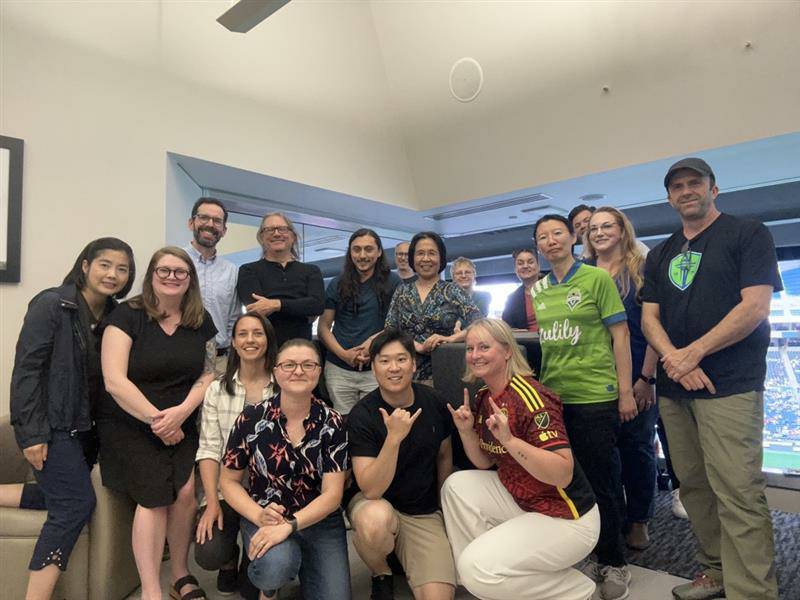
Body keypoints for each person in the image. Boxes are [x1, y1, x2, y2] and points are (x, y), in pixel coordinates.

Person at [641, 157, 781, 600]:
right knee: (695, 487)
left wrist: (693, 353)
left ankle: (753, 591)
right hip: (675, 391)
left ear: (713, 189)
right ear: (669, 197)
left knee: (738, 492)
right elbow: (649, 319)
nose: (686, 191)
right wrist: (676, 361)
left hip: (731, 385)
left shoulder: (748, 234)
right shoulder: (661, 253)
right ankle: (715, 570)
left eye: (694, 183)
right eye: (677, 186)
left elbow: (755, 307)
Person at [9, 238, 134, 600]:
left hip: (87, 432)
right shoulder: (52, 304)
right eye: (105, 264)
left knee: (61, 494)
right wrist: (32, 434)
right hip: (52, 426)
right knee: (76, 503)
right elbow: (26, 372)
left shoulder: (115, 317)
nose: (113, 274)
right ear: (85, 265)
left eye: (122, 269)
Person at [441, 318, 600, 600]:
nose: (475, 355)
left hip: (566, 517)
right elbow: (484, 463)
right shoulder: (483, 397)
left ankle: (575, 590)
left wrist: (510, 441)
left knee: (475, 567)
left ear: (507, 351)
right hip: (524, 500)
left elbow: (563, 472)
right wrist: (466, 432)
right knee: (457, 485)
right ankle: (487, 583)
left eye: (484, 347)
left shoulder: (532, 397)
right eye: (470, 348)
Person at [99, 246, 218, 600]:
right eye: (163, 270)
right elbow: (114, 381)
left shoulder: (200, 319)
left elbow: (210, 373)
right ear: (151, 275)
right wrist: (159, 420)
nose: (171, 277)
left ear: (190, 280)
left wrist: (181, 413)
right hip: (130, 422)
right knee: (154, 496)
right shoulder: (127, 315)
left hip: (182, 419)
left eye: (180, 272)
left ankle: (180, 574)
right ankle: (151, 589)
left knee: (184, 492)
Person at [532, 214, 636, 600]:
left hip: (595, 396)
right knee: (570, 483)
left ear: (573, 237)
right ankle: (588, 551)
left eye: (557, 233)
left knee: (603, 483)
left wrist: (625, 392)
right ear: (538, 246)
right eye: (543, 237)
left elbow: (620, 336)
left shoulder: (597, 279)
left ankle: (615, 561)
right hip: (556, 399)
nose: (551, 241)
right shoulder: (539, 289)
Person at [219, 339, 351, 600]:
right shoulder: (250, 419)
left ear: (319, 371)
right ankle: (269, 587)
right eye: (289, 364)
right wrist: (258, 516)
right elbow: (229, 481)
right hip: (265, 514)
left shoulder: (333, 422)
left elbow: (332, 495)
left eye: (308, 365)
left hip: (319, 519)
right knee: (276, 566)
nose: (298, 371)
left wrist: (290, 526)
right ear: (276, 371)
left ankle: (304, 566)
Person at [346, 329, 456, 600]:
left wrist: (444, 509)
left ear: (414, 364)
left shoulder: (434, 401)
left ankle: (405, 557)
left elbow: (444, 456)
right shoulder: (362, 415)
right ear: (373, 367)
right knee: (375, 522)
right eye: (384, 361)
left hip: (422, 511)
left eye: (401, 359)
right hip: (377, 504)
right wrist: (393, 439)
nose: (393, 368)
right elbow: (370, 489)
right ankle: (380, 571)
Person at [585, 207, 660, 550]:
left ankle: (639, 519)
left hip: (638, 373)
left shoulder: (643, 269)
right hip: (594, 378)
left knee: (637, 450)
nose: (599, 232)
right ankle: (611, 518)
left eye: (607, 226)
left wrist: (646, 378)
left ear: (622, 230)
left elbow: (654, 327)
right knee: (603, 455)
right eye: (593, 228)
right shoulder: (582, 272)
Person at [194, 313, 278, 598]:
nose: (250, 340)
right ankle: (228, 559)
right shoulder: (218, 390)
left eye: (258, 333)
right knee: (209, 551)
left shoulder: (283, 387)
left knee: (256, 584)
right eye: (243, 334)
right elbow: (208, 449)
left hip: (270, 493)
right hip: (227, 490)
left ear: (268, 340)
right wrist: (210, 503)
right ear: (233, 342)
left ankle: (248, 560)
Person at [318, 229, 401, 415]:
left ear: (379, 252)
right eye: (356, 250)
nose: (362, 255)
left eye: (369, 249)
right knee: (343, 423)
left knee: (375, 423)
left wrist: (371, 345)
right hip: (339, 369)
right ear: (350, 253)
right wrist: (344, 355)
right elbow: (323, 327)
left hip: (377, 366)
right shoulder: (336, 283)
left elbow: (395, 325)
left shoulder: (394, 282)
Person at [384, 231, 482, 382]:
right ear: (412, 258)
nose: (426, 259)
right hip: (406, 373)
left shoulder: (453, 290)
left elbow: (479, 323)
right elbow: (390, 329)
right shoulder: (402, 291)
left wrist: (450, 339)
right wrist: (415, 345)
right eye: (420, 253)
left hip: (445, 370)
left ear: (441, 258)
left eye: (432, 253)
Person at [236, 212, 325, 346]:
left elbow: (317, 305)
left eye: (282, 229)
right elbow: (257, 310)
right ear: (261, 237)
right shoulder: (248, 270)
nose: (276, 234)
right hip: (264, 352)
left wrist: (276, 304)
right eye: (269, 230)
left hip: (301, 351)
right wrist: (301, 308)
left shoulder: (311, 271)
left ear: (293, 236)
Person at [184, 197, 241, 373]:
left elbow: (233, 318)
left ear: (224, 230)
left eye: (217, 221)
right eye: (203, 217)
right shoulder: (174, 262)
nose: (210, 224)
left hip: (220, 362)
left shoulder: (231, 270)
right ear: (191, 223)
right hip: (179, 357)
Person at [501, 248, 540, 332]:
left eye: (530, 262)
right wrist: (513, 330)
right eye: (520, 263)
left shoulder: (553, 286)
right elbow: (506, 326)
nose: (525, 266)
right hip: (526, 343)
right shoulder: (512, 299)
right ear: (515, 269)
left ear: (538, 266)